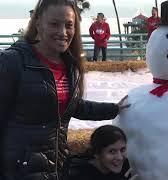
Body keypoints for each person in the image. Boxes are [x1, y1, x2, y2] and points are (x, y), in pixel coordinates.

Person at [0, 0, 129, 179]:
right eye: (54, 24)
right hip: (18, 170)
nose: (63, 32)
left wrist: (115, 109)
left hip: (56, 167)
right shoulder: (12, 62)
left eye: (69, 25)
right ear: (38, 24)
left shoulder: (70, 66)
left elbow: (72, 106)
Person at [65, 125, 137, 180]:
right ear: (97, 153)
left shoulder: (123, 166)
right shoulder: (76, 173)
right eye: (112, 151)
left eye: (122, 149)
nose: (120, 157)